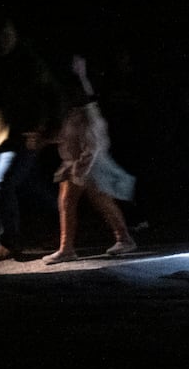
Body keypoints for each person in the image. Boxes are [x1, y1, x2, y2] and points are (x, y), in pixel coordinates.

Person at [0, 14, 61, 264]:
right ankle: (67, 224)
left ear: (15, 34)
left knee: (2, 185)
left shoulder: (28, 61)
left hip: (24, 137)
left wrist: (44, 130)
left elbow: (50, 94)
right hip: (1, 136)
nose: (2, 40)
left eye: (7, 34)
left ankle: (9, 242)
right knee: (31, 186)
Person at [41, 55, 138, 263]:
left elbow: (92, 145)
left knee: (83, 200)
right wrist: (44, 139)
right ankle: (118, 239)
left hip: (88, 163)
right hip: (79, 162)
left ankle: (120, 238)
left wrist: (79, 171)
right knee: (81, 200)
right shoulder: (73, 110)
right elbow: (68, 135)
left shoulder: (87, 111)